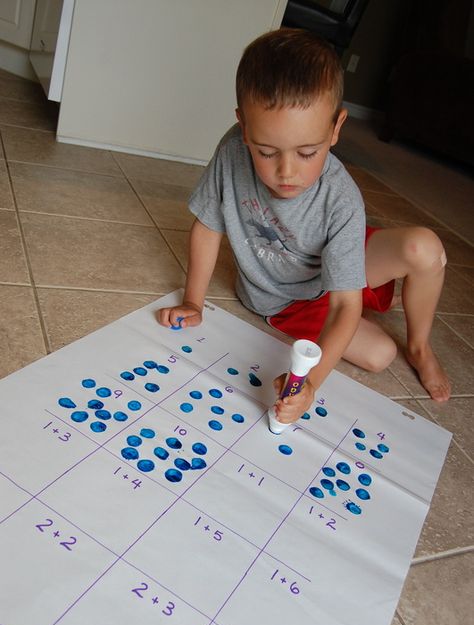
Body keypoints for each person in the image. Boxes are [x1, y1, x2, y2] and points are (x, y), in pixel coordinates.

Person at [158, 28, 451, 425]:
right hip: (288, 299)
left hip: (327, 253)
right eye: (265, 151)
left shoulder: (341, 197)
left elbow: (345, 303)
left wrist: (311, 382)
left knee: (425, 249)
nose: (287, 172)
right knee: (379, 356)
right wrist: (193, 301)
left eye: (308, 152)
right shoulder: (231, 152)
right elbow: (208, 228)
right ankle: (377, 295)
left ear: (335, 128)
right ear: (243, 127)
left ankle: (418, 345)